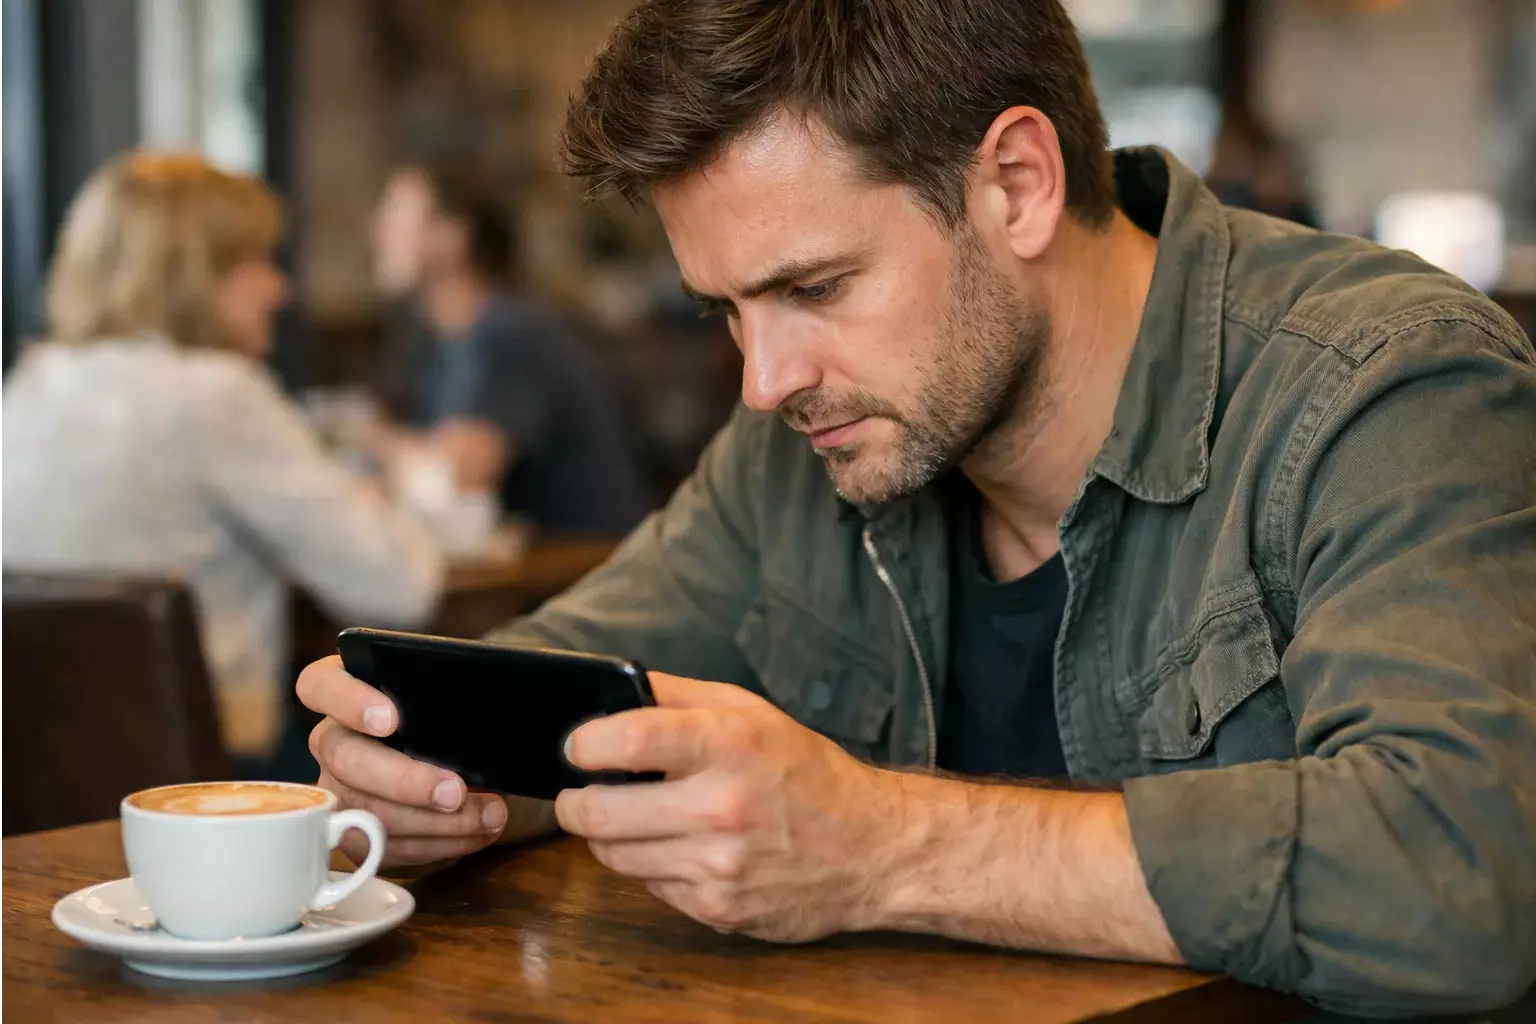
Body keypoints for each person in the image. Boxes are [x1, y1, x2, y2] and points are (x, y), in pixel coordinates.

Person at [295, 1, 1536, 1015]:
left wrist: (878, 845)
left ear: (1017, 182)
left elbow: (1460, 874)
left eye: (815, 286)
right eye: (724, 308)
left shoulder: (1386, 384)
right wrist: (437, 783)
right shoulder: (801, 449)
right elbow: (560, 690)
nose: (764, 379)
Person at [3, 152, 444, 758]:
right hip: (203, 777)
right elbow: (399, 588)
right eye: (257, 262)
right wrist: (381, 493)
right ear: (195, 274)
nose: (279, 288)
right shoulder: (216, 394)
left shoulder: (30, 385)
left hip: (35, 780)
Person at [370, 163, 645, 535]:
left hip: (578, 565)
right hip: (520, 559)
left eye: (398, 213)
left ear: (454, 236)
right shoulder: (439, 342)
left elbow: (456, 477)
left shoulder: (511, 332)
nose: (379, 230)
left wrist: (376, 443)